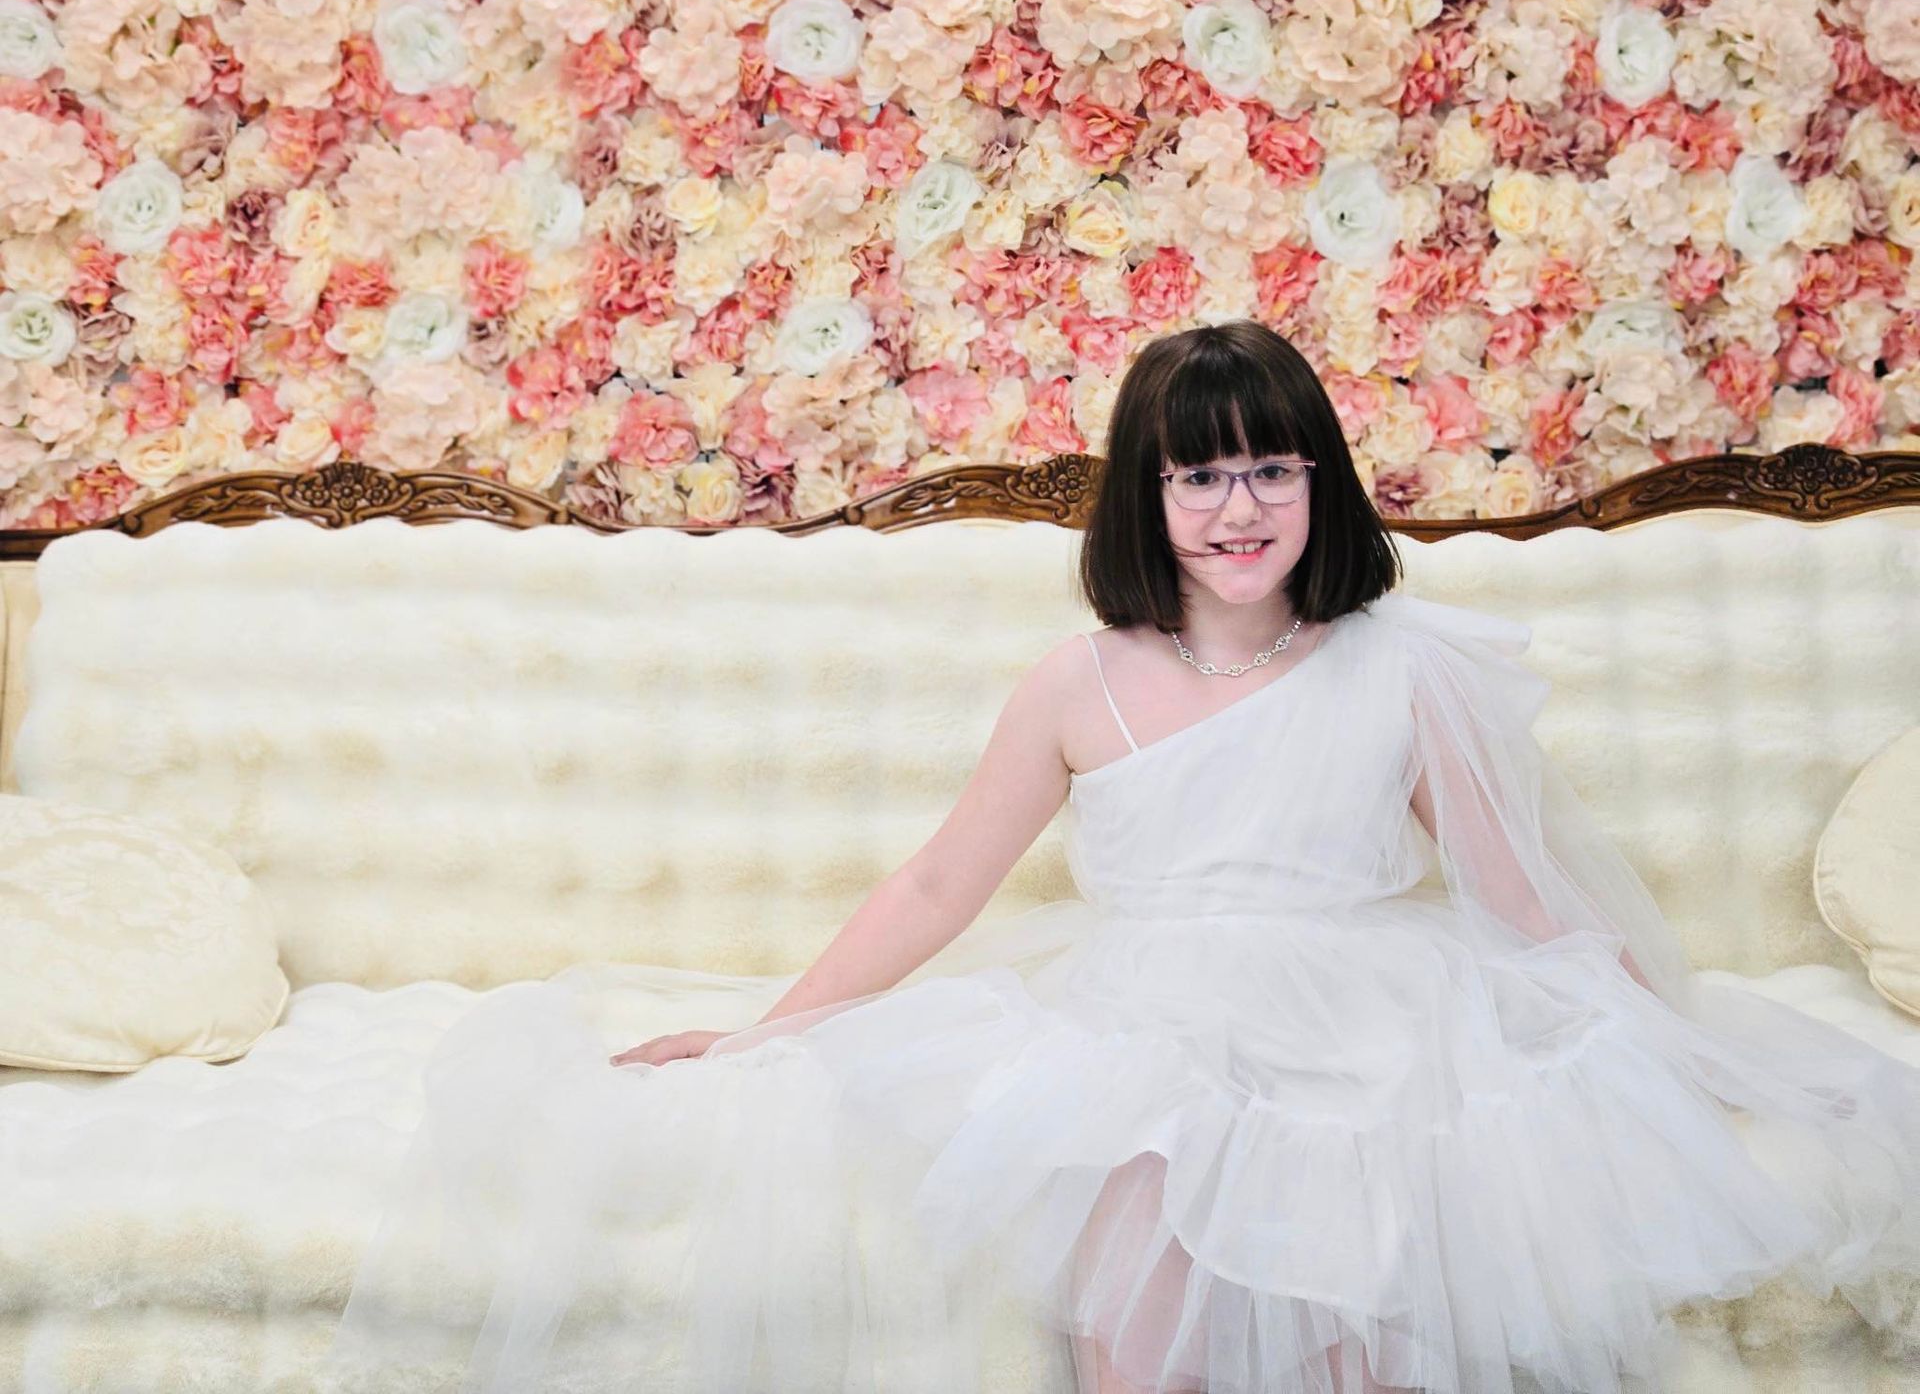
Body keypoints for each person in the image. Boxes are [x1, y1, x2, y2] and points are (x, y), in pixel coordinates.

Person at [329, 320, 1920, 1394]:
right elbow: (942, 885)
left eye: (1271, 469)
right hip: (1145, 1013)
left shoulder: (1401, 666)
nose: (1239, 507)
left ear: (1320, 484)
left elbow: (1517, 890)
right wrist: (775, 1024)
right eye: (1199, 472)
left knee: (1370, 1261)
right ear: (1147, 497)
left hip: (1367, 1009)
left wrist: (1667, 1034)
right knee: (1145, 1248)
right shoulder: (1078, 683)